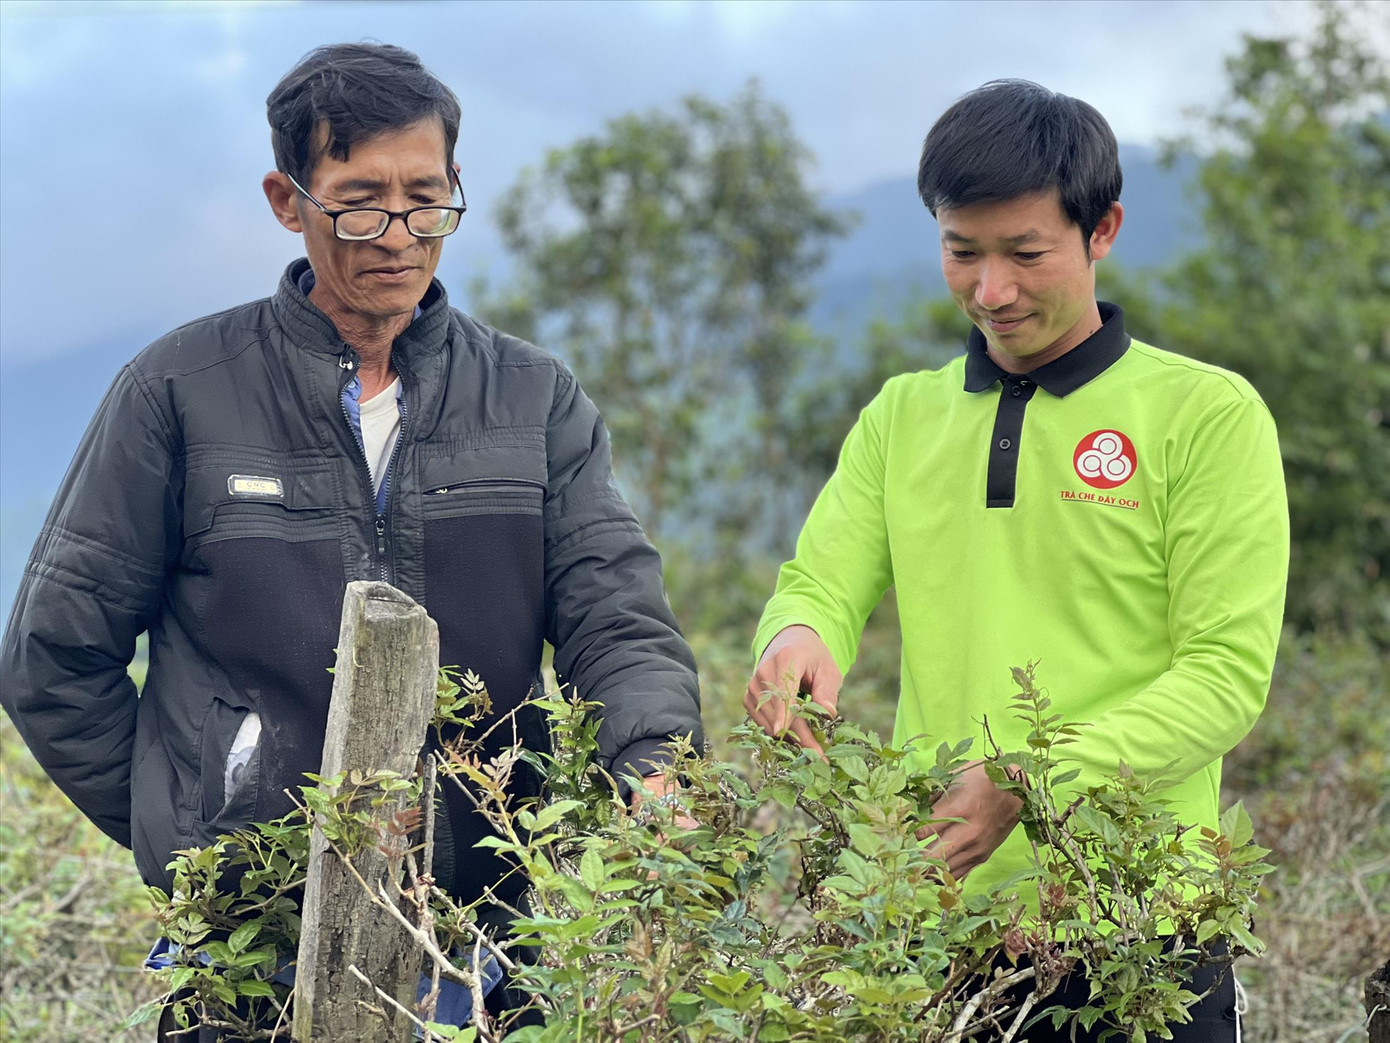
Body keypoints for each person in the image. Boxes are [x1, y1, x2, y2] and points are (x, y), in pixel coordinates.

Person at [0, 42, 702, 1033]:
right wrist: (198, 830)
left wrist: (655, 763)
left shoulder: (532, 400)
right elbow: (53, 654)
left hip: (484, 941)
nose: (399, 236)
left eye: (427, 199)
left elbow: (615, 618)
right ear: (287, 201)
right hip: (250, 956)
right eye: (360, 203)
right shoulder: (179, 393)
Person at [744, 80, 1288, 1041]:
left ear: (1102, 230)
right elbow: (820, 583)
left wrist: (1030, 774)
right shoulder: (902, 417)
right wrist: (796, 638)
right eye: (962, 252)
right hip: (934, 929)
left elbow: (1223, 677)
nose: (990, 292)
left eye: (1025, 254)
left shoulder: (1205, 415)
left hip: (1140, 936)